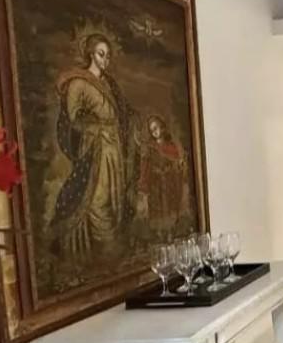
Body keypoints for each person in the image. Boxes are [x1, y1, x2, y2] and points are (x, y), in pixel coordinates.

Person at [51, 29, 137, 259]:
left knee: (114, 194)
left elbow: (120, 113)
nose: (105, 60)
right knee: (97, 196)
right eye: (101, 54)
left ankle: (110, 245)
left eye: (107, 55)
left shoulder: (109, 84)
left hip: (113, 146)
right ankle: (105, 245)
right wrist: (97, 128)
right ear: (90, 53)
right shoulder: (78, 83)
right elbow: (72, 119)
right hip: (95, 147)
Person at [137, 114, 186, 239]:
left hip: (169, 181)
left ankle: (171, 232)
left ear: (162, 127)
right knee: (157, 209)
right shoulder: (150, 147)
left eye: (156, 128)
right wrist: (144, 184)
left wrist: (179, 164)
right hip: (155, 183)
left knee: (169, 207)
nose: (154, 132)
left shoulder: (171, 146)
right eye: (151, 130)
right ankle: (159, 234)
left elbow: (177, 162)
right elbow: (145, 166)